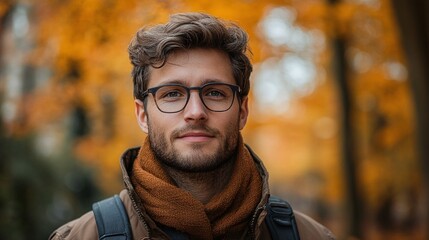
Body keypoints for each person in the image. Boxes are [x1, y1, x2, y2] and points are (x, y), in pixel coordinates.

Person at [50, 12, 335, 240]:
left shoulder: (310, 236)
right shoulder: (81, 236)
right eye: (172, 94)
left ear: (243, 111)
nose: (196, 112)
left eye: (215, 92)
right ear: (143, 115)